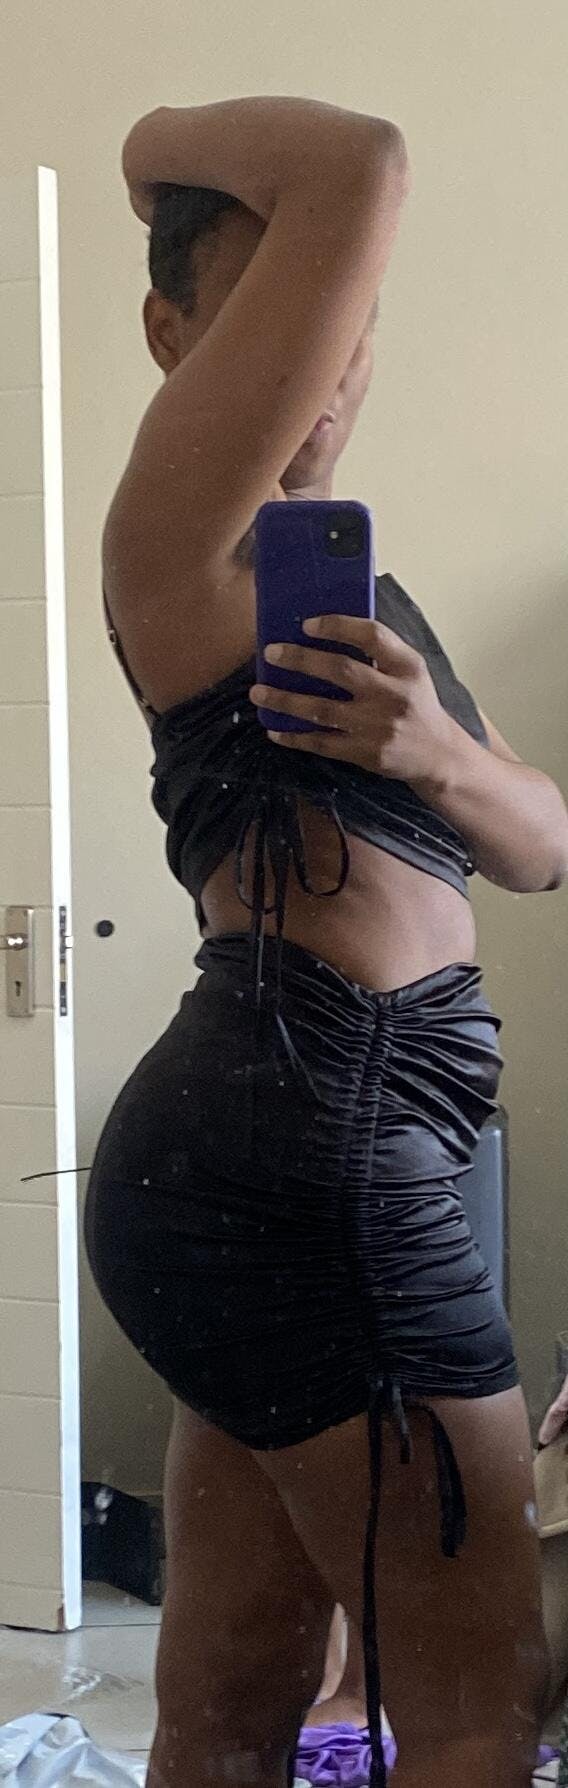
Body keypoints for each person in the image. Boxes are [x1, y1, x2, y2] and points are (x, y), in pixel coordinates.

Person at [84, 95, 568, 1788]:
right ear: (176, 338)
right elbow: (360, 161)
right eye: (285, 311)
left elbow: (544, 846)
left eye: (348, 319)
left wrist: (435, 748)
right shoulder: (180, 546)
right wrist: (147, 146)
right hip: (326, 1150)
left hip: (262, 1165)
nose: (328, 356)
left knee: (236, 1698)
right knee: (477, 1706)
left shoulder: (371, 605)